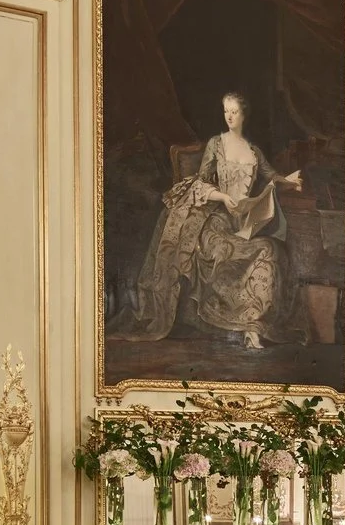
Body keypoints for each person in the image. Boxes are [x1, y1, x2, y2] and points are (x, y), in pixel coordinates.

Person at [117, 91, 301, 349]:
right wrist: (224, 197)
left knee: (270, 250)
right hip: (215, 218)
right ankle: (237, 324)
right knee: (221, 249)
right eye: (226, 110)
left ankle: (254, 324)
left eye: (234, 111)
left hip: (243, 222)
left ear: (244, 114)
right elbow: (201, 181)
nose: (229, 116)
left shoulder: (254, 152)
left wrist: (287, 181)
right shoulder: (216, 144)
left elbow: (271, 176)